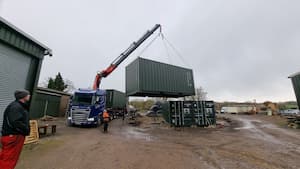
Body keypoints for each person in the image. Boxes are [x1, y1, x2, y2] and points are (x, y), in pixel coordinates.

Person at [0, 90, 31, 169]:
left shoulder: (18, 106)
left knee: (5, 157)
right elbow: (15, 122)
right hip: (14, 136)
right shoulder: (16, 107)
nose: (29, 96)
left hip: (12, 136)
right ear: (23, 96)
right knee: (9, 160)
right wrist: (25, 129)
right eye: (28, 94)